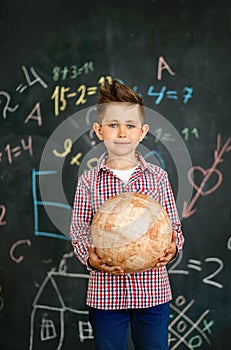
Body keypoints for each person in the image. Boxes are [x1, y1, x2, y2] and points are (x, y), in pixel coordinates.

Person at [70, 79, 184, 350]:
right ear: (99, 131)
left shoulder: (157, 177)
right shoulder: (89, 181)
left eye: (130, 126)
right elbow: (79, 230)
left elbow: (173, 226)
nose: (122, 133)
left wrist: (172, 247)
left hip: (153, 293)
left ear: (142, 132)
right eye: (113, 125)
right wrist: (90, 258)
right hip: (106, 296)